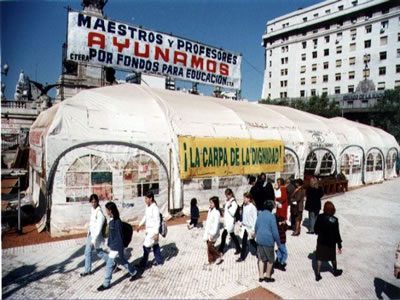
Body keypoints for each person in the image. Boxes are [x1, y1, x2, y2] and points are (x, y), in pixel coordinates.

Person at [97, 202, 137, 291]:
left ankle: (106, 283)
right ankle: (134, 272)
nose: (106, 211)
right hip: (113, 246)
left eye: (107, 209)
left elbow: (119, 236)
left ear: (110, 210)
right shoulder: (111, 219)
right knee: (121, 260)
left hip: (117, 247)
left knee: (109, 264)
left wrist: (120, 249)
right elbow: (112, 235)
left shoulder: (117, 222)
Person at [314, 201, 343, 282]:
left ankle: (318, 274)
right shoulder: (334, 220)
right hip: (331, 242)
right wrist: (339, 245)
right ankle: (335, 270)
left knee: (319, 257)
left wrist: (319, 232)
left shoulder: (320, 217)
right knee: (332, 257)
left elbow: (316, 229)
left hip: (321, 241)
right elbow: (337, 233)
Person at [255, 200, 281, 283]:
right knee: (270, 259)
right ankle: (268, 276)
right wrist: (278, 243)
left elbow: (256, 227)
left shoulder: (260, 215)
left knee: (261, 259)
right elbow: (275, 232)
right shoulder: (271, 217)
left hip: (259, 239)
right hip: (268, 240)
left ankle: (261, 276)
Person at [80, 194, 106, 277]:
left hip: (95, 236)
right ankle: (87, 270)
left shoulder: (99, 213)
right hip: (91, 234)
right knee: (94, 252)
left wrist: (93, 240)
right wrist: (88, 233)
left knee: (96, 252)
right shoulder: (92, 210)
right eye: (92, 202)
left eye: (95, 202)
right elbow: (92, 224)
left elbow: (98, 228)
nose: (93, 203)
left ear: (97, 202)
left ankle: (112, 263)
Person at [137, 191, 163, 270]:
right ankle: (159, 261)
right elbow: (145, 216)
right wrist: (140, 225)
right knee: (155, 245)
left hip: (153, 231)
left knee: (146, 246)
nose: (145, 200)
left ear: (151, 198)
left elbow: (157, 221)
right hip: (148, 230)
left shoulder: (155, 208)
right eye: (145, 198)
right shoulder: (148, 206)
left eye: (146, 198)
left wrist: (156, 233)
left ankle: (143, 263)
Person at [218, 188, 241, 255]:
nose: (227, 197)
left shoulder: (233, 202)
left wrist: (228, 207)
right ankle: (238, 248)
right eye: (226, 195)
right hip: (227, 221)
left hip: (230, 222)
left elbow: (233, 212)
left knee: (224, 235)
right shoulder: (228, 201)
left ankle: (221, 250)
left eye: (228, 195)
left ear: (231, 194)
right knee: (232, 235)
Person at [237, 192, 258, 262]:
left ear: (249, 199)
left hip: (250, 227)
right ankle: (242, 257)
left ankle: (259, 251)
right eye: (244, 198)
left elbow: (255, 219)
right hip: (244, 227)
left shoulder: (253, 207)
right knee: (244, 242)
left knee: (252, 241)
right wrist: (241, 222)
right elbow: (243, 215)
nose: (244, 199)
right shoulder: (244, 206)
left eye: (245, 198)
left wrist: (253, 230)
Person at [203, 196, 223, 265]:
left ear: (215, 203)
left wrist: (212, 234)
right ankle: (210, 260)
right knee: (208, 246)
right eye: (210, 202)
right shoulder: (210, 210)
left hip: (213, 232)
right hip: (208, 231)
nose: (210, 204)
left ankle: (219, 255)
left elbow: (216, 224)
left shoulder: (216, 212)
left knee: (210, 246)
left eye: (212, 203)